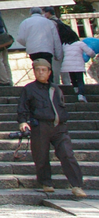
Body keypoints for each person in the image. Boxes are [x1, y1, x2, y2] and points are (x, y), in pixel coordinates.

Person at [17, 59, 87, 198]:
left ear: (49, 72)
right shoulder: (29, 89)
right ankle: (46, 183)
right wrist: (23, 122)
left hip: (59, 127)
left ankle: (77, 185)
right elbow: (22, 107)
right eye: (38, 70)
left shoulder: (56, 89)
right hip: (40, 126)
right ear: (34, 71)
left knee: (67, 154)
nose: (41, 72)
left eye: (44, 70)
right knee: (41, 156)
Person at [16, 7, 63, 83]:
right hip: (47, 49)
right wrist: (58, 55)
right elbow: (56, 39)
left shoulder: (25, 22)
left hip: (33, 50)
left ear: (30, 13)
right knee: (47, 67)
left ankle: (39, 83)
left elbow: (20, 38)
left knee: (37, 67)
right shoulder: (48, 22)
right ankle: (50, 84)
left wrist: (28, 44)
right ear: (41, 13)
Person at [61, 38, 94, 103]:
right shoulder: (80, 44)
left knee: (73, 79)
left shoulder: (65, 45)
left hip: (68, 65)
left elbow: (61, 54)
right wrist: (93, 55)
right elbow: (90, 52)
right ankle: (81, 94)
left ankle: (76, 90)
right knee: (80, 80)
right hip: (78, 65)